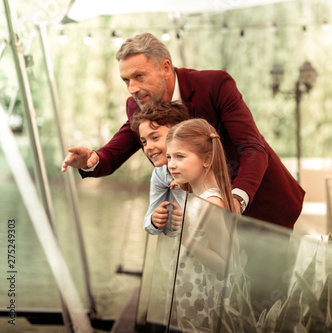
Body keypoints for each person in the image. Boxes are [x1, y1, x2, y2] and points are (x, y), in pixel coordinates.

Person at [61, 32, 304, 228]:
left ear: (165, 68)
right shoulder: (136, 105)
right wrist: (92, 159)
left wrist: (236, 202)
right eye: (126, 80)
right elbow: (114, 153)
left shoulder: (215, 85)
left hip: (259, 205)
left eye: (138, 76)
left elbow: (252, 147)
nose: (132, 88)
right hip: (198, 219)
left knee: (262, 289)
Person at [164, 118, 239, 329]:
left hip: (205, 305)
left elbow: (226, 264)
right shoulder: (196, 196)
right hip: (192, 296)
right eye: (169, 156)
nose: (171, 164)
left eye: (180, 156)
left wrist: (186, 238)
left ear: (206, 160)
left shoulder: (210, 204)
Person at [129, 101, 188, 235]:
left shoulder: (200, 169)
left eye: (155, 137)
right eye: (144, 142)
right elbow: (162, 228)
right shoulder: (160, 173)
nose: (148, 147)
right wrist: (154, 220)